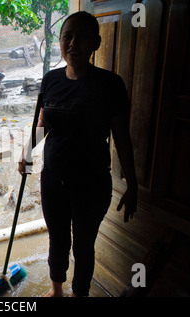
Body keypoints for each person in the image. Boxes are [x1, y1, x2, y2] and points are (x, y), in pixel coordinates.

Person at [19, 11, 138, 297]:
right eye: (67, 37)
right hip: (53, 181)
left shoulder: (110, 85)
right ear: (60, 41)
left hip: (91, 185)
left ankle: (79, 294)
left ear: (95, 43)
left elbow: (121, 136)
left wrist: (133, 183)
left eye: (81, 37)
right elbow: (42, 124)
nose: (73, 43)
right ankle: (56, 290)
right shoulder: (50, 80)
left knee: (83, 245)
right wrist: (26, 153)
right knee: (57, 239)